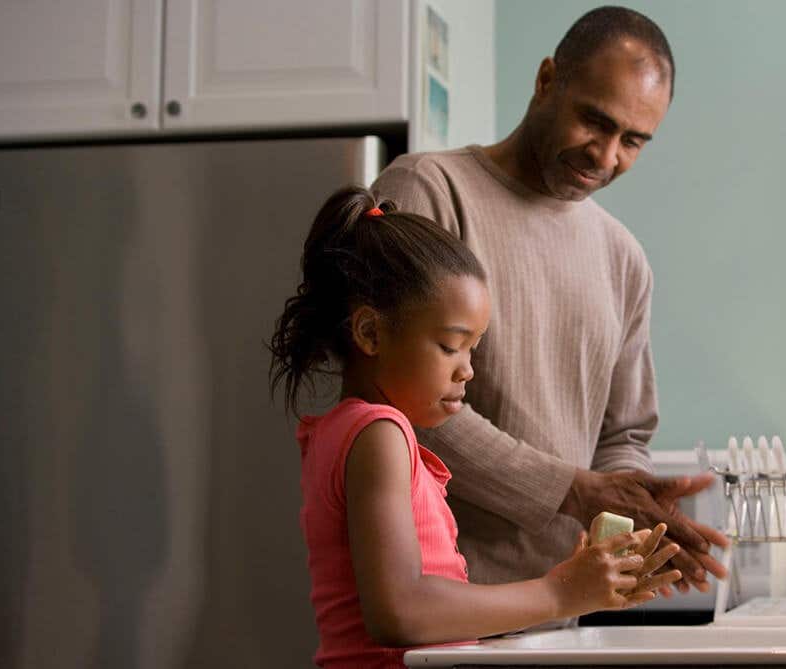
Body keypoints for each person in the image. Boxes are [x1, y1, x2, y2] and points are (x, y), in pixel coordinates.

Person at [371, 6, 728, 597]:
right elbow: (398, 400)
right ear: (545, 82)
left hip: (559, 610)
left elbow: (623, 435)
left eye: (633, 141)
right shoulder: (428, 191)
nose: (606, 156)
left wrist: (630, 505)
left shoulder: (624, 259)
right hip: (435, 606)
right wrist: (575, 490)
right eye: (595, 120)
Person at [269, 185, 681, 668]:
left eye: (473, 349)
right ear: (370, 333)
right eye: (450, 346)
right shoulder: (379, 434)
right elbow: (400, 611)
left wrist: (576, 585)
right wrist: (560, 592)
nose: (467, 370)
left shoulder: (348, 431)